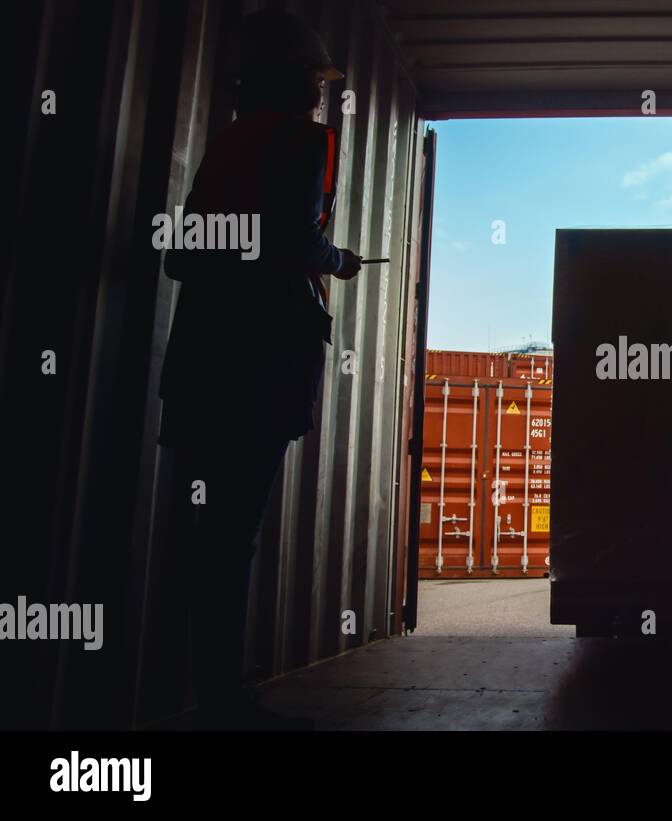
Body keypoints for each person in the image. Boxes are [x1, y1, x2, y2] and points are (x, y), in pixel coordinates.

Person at [158, 9, 362, 730]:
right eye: (314, 80)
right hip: (260, 363)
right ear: (293, 82)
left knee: (200, 531)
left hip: (199, 361)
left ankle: (198, 690)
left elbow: (182, 254)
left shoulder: (228, 145)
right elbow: (292, 240)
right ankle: (222, 701)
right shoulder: (310, 142)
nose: (319, 94)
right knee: (234, 532)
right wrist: (339, 260)